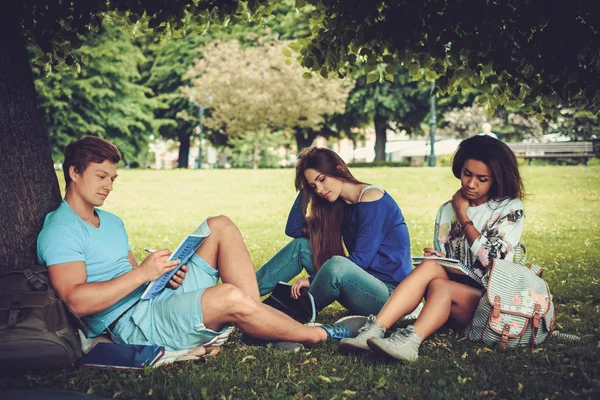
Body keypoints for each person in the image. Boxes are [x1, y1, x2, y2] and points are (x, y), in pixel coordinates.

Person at [37, 137, 357, 352]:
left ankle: (256, 319)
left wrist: (163, 275)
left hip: (154, 299)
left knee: (220, 225)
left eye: (112, 179)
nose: (108, 186)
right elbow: (76, 301)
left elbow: (132, 271)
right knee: (229, 296)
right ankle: (316, 333)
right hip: (133, 322)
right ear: (74, 173)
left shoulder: (111, 222)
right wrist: (141, 275)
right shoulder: (61, 229)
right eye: (100, 176)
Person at [339, 135, 526, 361]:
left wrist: (463, 215)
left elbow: (492, 260)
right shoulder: (446, 210)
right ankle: (375, 329)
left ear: (496, 179)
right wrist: (440, 258)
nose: (470, 183)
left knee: (441, 286)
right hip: (448, 299)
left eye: (482, 178)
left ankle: (410, 342)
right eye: (467, 174)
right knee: (431, 268)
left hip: (489, 304)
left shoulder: (510, 209)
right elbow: (449, 261)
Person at [255, 147, 414, 318]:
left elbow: (362, 260)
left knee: (337, 265)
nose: (320, 190)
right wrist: (305, 187)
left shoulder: (373, 200)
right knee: (302, 246)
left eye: (322, 179)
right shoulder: (340, 204)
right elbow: (294, 229)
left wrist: (310, 280)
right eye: (314, 186)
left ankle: (286, 316)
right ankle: (244, 296)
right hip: (359, 285)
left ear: (339, 169)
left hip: (389, 297)